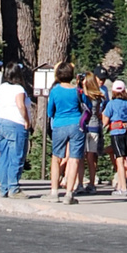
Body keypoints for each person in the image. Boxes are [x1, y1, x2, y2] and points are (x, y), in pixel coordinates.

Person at [47, 59, 85, 204]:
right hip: (76, 124)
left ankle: (54, 192)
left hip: (60, 124)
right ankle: (69, 194)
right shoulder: (77, 90)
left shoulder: (55, 91)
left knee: (56, 157)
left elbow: (50, 110)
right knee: (75, 158)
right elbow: (85, 105)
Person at [0, 62, 31, 197]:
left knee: (4, 157)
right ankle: (14, 188)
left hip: (1, 122)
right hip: (16, 123)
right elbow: (21, 105)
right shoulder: (18, 89)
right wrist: (26, 120)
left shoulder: (1, 88)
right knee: (17, 156)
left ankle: (4, 188)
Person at [103, 79, 127, 196]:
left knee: (119, 160)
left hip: (116, 132)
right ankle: (126, 185)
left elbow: (105, 120)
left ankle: (123, 187)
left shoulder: (111, 104)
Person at [80, 72, 106, 195]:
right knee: (91, 157)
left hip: (86, 127)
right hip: (95, 127)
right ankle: (91, 183)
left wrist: (83, 85)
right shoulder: (98, 96)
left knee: (82, 157)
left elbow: (85, 100)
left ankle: (80, 183)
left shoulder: (88, 97)